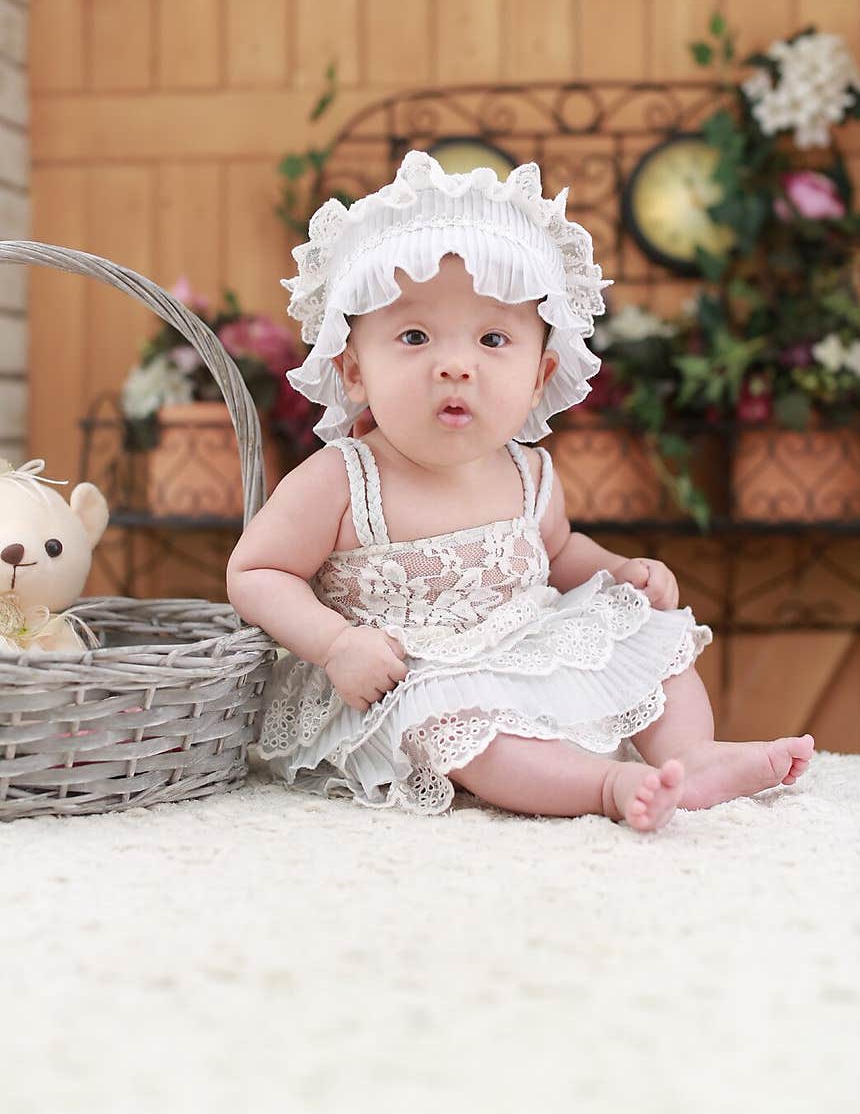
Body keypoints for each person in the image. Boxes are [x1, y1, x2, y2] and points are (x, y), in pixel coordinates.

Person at [227, 151, 813, 832]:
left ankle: (692, 754)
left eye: (493, 338)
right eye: (414, 336)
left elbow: (559, 554)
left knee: (647, 635)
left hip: (521, 644)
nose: (455, 364)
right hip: (413, 675)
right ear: (354, 370)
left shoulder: (529, 472)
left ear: (540, 376)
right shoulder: (344, 477)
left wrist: (619, 572)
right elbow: (255, 570)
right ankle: (606, 785)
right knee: (461, 731)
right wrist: (334, 646)